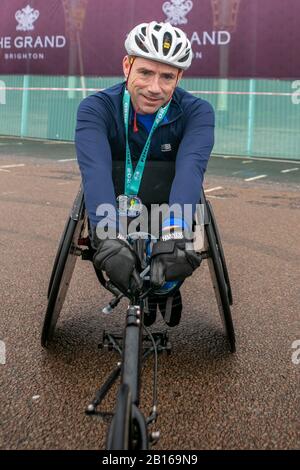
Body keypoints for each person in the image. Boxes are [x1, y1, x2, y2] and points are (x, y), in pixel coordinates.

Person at [75, 21, 215, 327]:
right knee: (114, 242)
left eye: (167, 76)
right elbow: (95, 171)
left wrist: (176, 232)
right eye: (145, 72)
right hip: (115, 202)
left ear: (179, 77)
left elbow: (191, 168)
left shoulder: (198, 112)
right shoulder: (94, 108)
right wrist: (106, 232)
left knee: (174, 251)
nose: (155, 87)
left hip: (168, 203)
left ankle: (164, 287)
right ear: (127, 66)